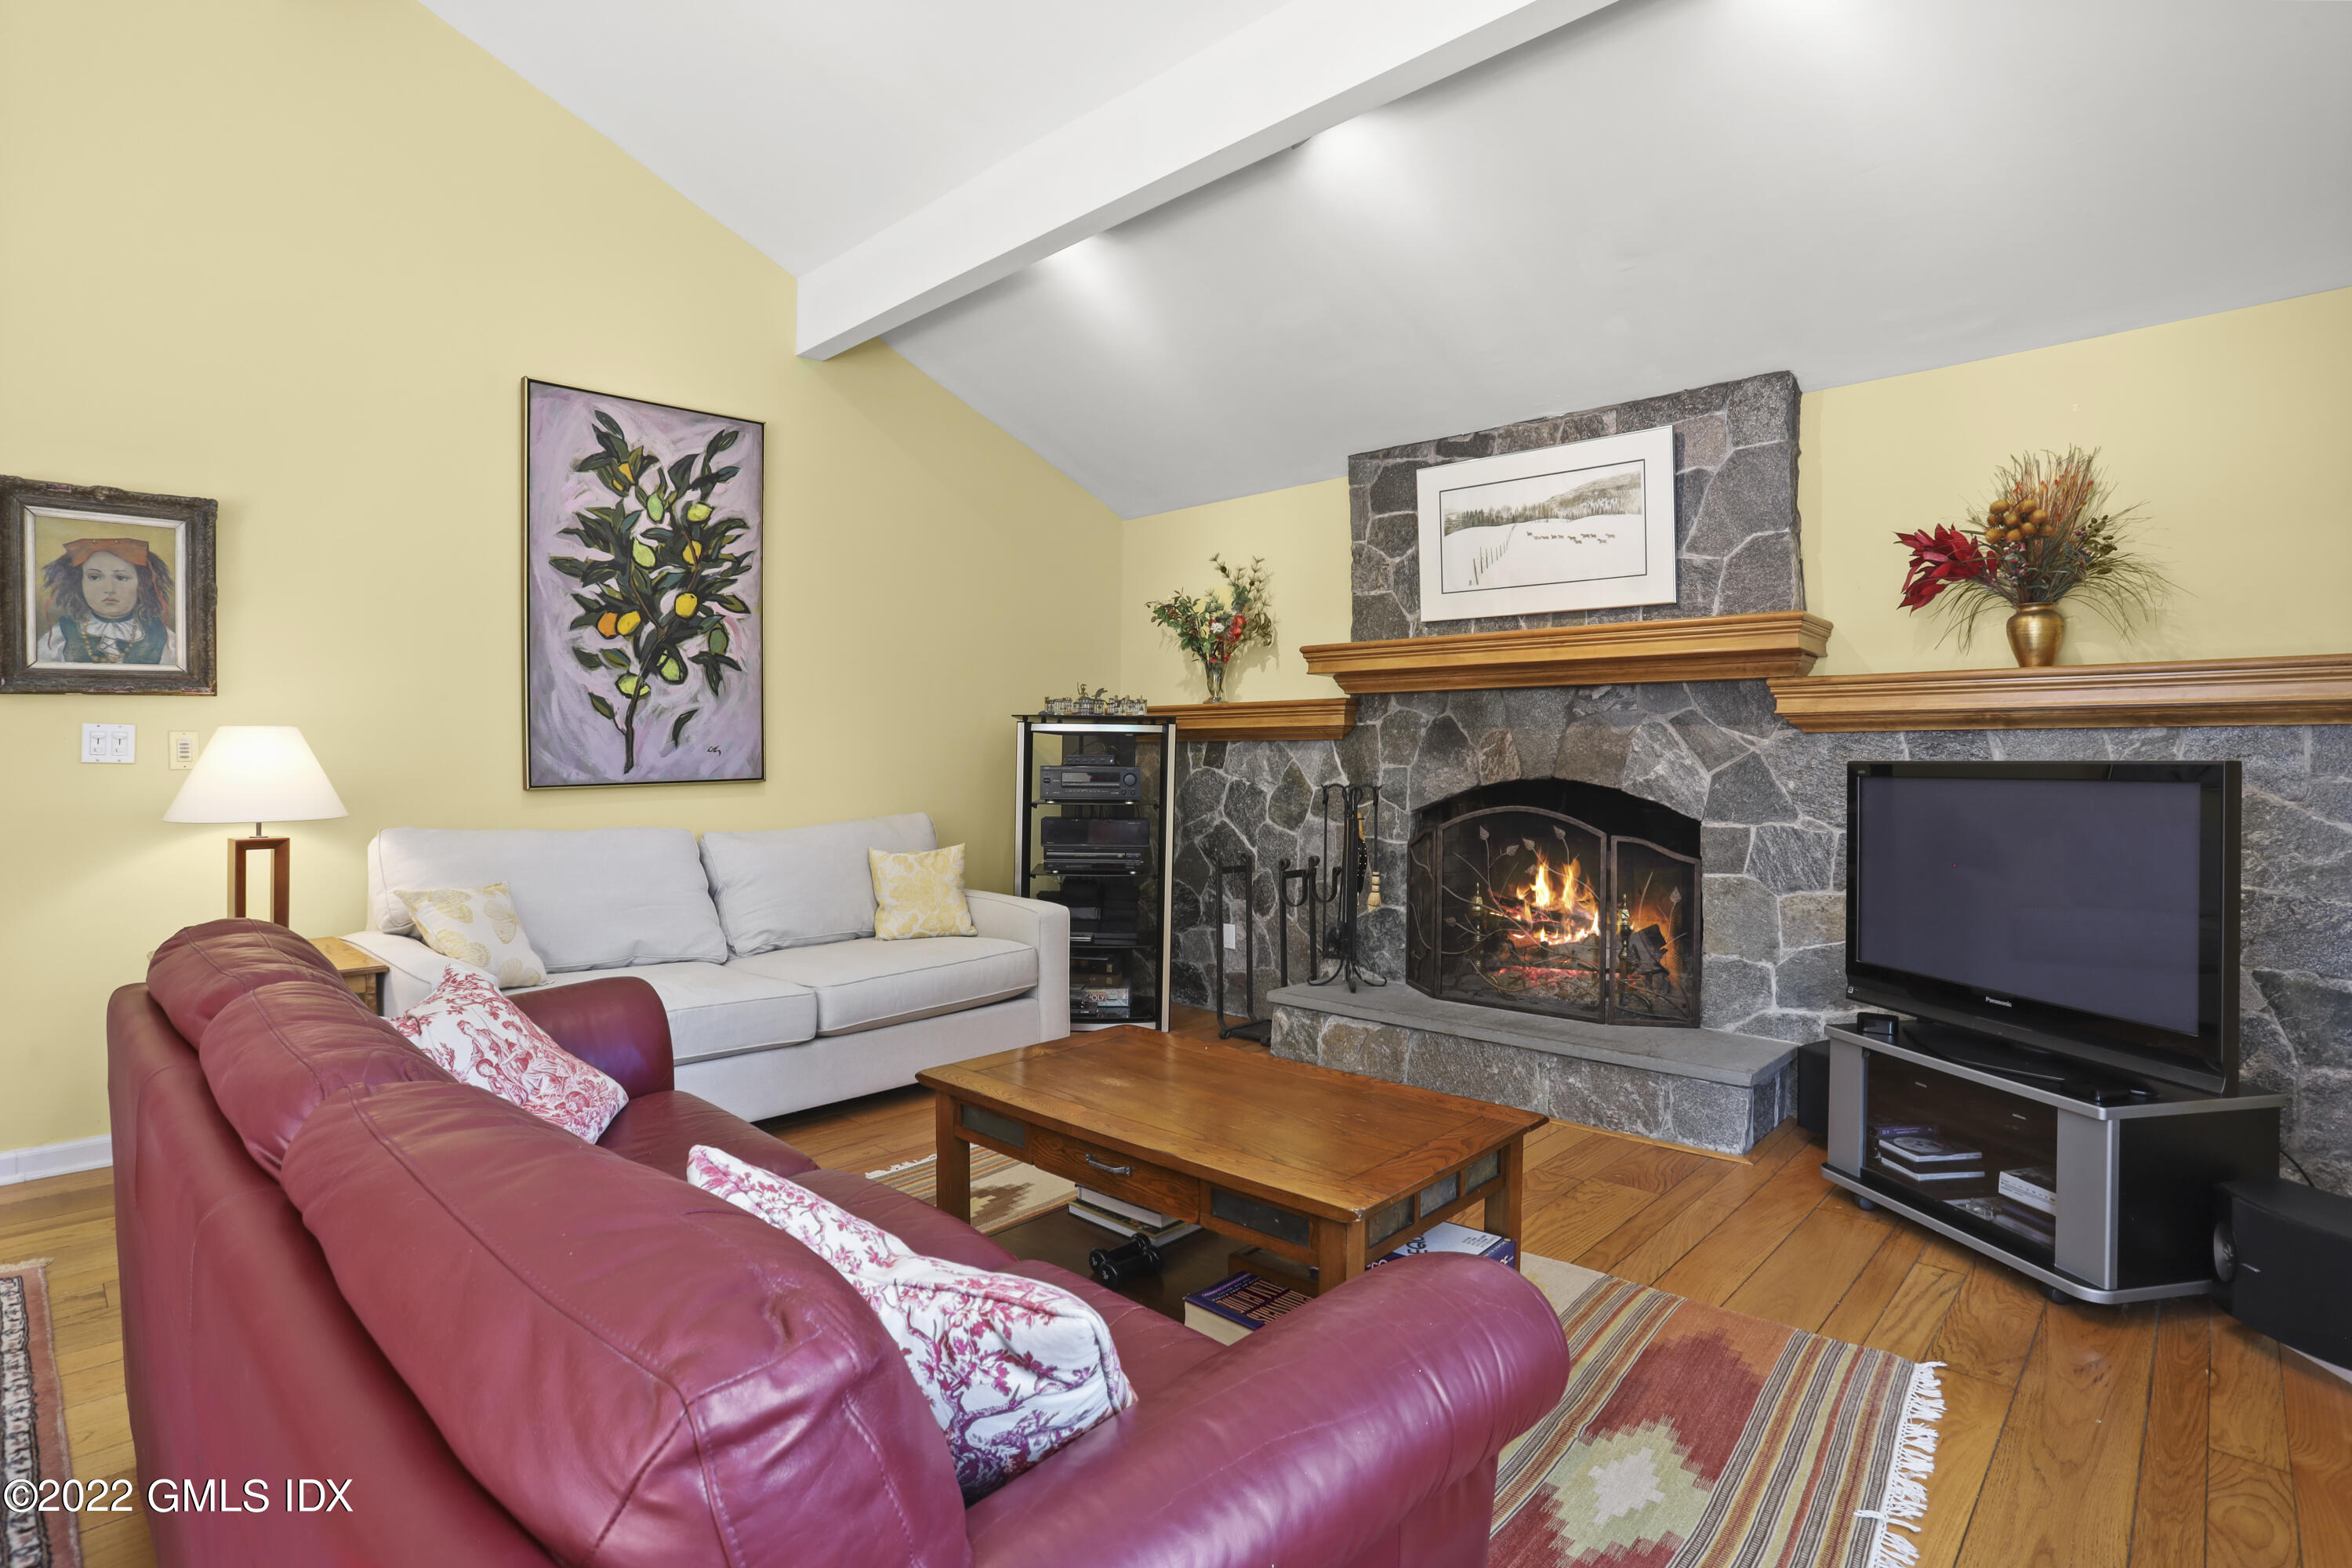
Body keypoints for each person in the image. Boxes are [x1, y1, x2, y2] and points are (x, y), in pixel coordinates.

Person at [34, 536, 179, 665]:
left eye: (121, 578)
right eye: (95, 577)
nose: (109, 589)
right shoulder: (60, 635)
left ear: (142, 584)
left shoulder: (163, 637)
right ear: (79, 583)